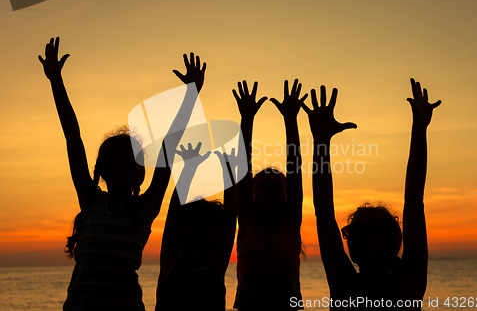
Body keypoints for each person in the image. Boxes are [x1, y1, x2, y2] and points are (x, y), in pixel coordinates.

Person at [39, 37, 206, 310]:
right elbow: (73, 137)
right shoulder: (91, 202)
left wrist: (191, 95)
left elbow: (168, 146)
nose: (134, 167)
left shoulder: (144, 209)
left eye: (138, 162)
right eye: (125, 161)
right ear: (104, 170)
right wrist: (55, 81)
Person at [303, 80, 440, 310]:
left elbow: (414, 202)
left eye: (366, 229)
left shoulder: (407, 288)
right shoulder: (344, 287)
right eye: (351, 231)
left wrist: (419, 129)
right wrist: (320, 142)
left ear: (392, 239)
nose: (355, 236)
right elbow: (324, 213)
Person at [232, 79, 307, 310]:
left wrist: (291, 119)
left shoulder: (290, 223)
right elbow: (242, 169)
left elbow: (294, 168)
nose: (270, 191)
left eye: (276, 186)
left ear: (287, 195)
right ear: (251, 195)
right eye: (262, 186)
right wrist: (247, 119)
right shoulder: (247, 223)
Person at [155, 144, 237, 311]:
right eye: (190, 243)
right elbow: (174, 214)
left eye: (207, 245)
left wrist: (229, 170)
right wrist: (189, 168)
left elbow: (231, 216)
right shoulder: (171, 264)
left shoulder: (216, 267)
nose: (198, 251)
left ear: (217, 244)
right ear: (179, 240)